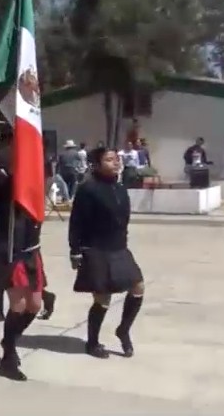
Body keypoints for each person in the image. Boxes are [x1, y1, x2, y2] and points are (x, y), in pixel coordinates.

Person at [0, 149, 46, 381]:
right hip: (8, 248)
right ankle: (8, 357)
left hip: (31, 248)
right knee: (19, 304)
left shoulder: (32, 177)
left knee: (34, 305)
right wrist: (9, 178)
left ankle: (10, 339)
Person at [69, 147, 145, 359]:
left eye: (117, 159)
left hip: (119, 247)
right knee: (103, 297)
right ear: (97, 164)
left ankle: (123, 330)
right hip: (95, 249)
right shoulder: (88, 189)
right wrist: (75, 251)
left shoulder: (120, 188)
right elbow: (76, 222)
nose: (116, 163)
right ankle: (92, 343)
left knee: (138, 286)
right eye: (109, 160)